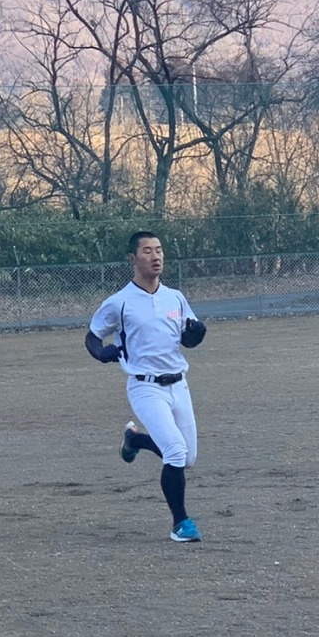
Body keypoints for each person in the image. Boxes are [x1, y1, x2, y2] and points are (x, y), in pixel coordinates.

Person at [86, 231, 208, 542]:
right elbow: (93, 336)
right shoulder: (119, 302)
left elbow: (186, 339)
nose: (156, 257)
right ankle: (181, 524)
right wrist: (101, 352)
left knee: (187, 458)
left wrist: (197, 334)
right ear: (133, 258)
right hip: (145, 387)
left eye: (159, 250)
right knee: (175, 451)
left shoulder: (175, 297)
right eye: (147, 251)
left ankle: (135, 440)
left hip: (179, 385)